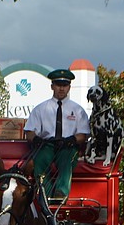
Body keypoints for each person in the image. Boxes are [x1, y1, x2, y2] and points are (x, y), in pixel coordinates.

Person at [23, 68, 90, 200]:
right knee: (39, 160)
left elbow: (83, 135)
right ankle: (46, 195)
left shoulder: (78, 110)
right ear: (52, 86)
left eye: (65, 85)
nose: (61, 88)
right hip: (47, 145)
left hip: (67, 146)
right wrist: (35, 139)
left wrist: (72, 140)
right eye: (58, 85)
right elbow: (29, 132)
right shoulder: (40, 109)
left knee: (66, 160)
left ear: (69, 87)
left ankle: (61, 193)